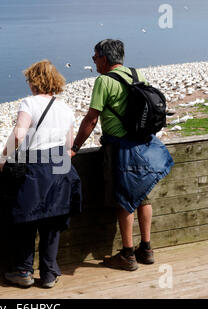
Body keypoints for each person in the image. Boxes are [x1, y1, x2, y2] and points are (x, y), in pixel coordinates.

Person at [71, 39, 174, 271]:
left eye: (94, 57)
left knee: (124, 199)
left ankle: (127, 254)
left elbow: (91, 118)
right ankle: (146, 248)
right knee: (143, 196)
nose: (94, 61)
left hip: (120, 148)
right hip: (145, 145)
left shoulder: (104, 81)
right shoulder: (137, 75)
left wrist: (75, 147)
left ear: (104, 59)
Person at [0, 60, 82, 288]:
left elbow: (18, 135)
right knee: (53, 221)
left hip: (35, 166)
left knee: (27, 219)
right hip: (60, 166)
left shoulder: (29, 103)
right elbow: (69, 145)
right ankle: (48, 273)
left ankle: (24, 271)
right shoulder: (65, 108)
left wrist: (5, 156)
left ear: (34, 81)